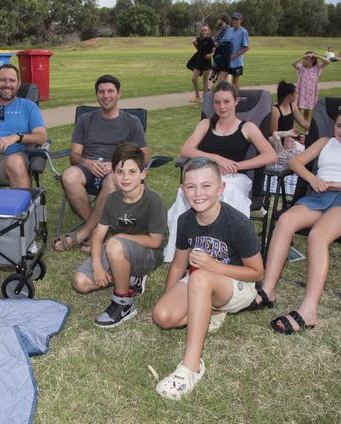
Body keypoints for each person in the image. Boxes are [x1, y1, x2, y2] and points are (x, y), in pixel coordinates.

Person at [152, 157, 264, 400]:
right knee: (162, 316)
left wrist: (214, 266)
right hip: (200, 282)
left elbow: (257, 273)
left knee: (200, 276)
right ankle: (210, 312)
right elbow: (179, 264)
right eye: (191, 187)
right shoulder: (186, 221)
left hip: (237, 286)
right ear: (183, 190)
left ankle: (190, 368)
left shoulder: (237, 223)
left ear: (220, 188)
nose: (198, 193)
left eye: (206, 186)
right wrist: (168, 297)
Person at [248, 106, 341, 334]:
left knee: (318, 236)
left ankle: (308, 311)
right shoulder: (325, 142)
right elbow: (294, 163)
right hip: (319, 195)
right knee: (285, 220)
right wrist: (313, 179)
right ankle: (268, 290)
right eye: (339, 125)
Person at [163, 81, 276, 262]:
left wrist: (238, 165)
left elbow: (270, 156)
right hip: (207, 173)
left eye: (226, 101)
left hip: (235, 176)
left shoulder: (247, 127)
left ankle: (228, 251)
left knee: (227, 189)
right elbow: (186, 150)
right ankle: (179, 252)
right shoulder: (206, 124)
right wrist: (215, 158)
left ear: (236, 102)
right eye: (217, 102)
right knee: (185, 191)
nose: (221, 106)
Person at [71, 143, 167, 328]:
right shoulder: (112, 199)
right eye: (120, 171)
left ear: (143, 174)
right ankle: (130, 278)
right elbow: (98, 236)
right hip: (118, 249)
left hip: (148, 254)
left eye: (132, 172)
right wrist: (98, 265)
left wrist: (119, 238)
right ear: (113, 174)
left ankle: (124, 303)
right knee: (80, 282)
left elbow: (156, 242)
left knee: (114, 244)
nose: (125, 177)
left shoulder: (153, 200)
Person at [53, 74, 150, 252]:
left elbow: (144, 154)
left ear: (119, 93)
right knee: (69, 176)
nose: (106, 96)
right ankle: (98, 230)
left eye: (110, 91)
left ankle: (84, 233)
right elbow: (75, 154)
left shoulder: (131, 122)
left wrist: (118, 164)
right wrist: (87, 162)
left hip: (116, 170)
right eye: (101, 92)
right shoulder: (85, 120)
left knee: (113, 178)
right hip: (89, 168)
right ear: (96, 95)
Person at [293, 51, 330, 122]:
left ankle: (306, 129)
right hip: (301, 93)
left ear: (312, 60)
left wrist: (317, 56)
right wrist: (302, 56)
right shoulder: (301, 68)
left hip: (310, 94)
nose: (303, 60)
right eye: (304, 59)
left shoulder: (316, 68)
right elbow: (293, 63)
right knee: (297, 111)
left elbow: (327, 62)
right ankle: (293, 128)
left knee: (307, 113)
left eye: (306, 59)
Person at [217, 12, 250, 89]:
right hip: (226, 60)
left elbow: (247, 47)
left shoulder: (243, 32)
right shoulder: (229, 30)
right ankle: (225, 96)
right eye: (233, 19)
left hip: (237, 62)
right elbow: (223, 43)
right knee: (221, 80)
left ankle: (236, 99)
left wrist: (234, 56)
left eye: (236, 19)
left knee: (235, 82)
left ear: (240, 20)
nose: (234, 21)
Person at [186, 25, 215, 103]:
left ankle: (205, 98)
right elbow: (199, 49)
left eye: (205, 30)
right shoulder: (199, 39)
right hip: (199, 61)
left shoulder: (210, 40)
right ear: (200, 31)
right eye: (203, 30)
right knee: (194, 79)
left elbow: (214, 49)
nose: (204, 32)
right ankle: (197, 96)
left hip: (207, 62)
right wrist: (194, 44)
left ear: (208, 31)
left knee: (205, 81)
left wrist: (211, 55)